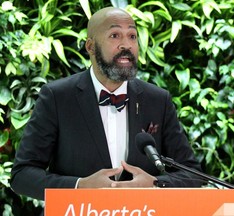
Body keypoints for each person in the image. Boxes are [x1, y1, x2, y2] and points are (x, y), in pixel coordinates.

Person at [10, 7, 203, 202]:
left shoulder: (158, 100)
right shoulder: (57, 97)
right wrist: (79, 186)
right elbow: (22, 175)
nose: (126, 45)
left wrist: (155, 185)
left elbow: (193, 173)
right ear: (90, 47)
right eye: (115, 35)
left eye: (132, 36)